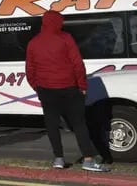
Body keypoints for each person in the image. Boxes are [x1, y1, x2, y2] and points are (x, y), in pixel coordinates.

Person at [26, 10, 109, 172]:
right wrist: (83, 86)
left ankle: (58, 159)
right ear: (58, 22)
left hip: (46, 90)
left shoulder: (33, 42)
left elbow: (30, 70)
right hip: (69, 88)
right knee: (79, 124)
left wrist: (37, 87)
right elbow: (78, 64)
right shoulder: (65, 38)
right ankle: (88, 160)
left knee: (51, 124)